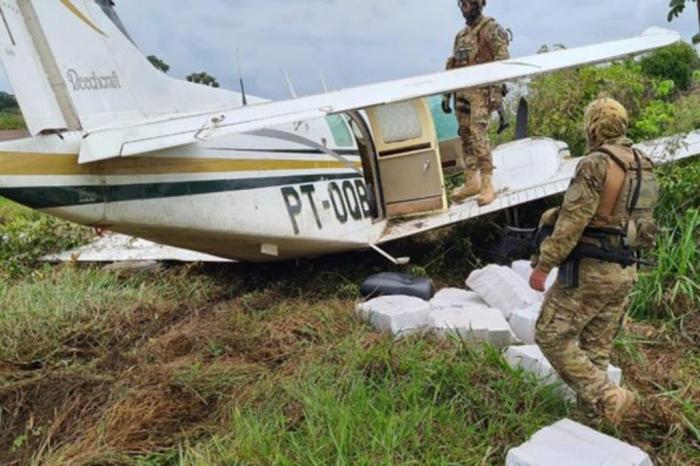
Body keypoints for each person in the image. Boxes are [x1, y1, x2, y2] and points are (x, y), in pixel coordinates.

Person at [529, 98, 660, 424]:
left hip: (592, 269)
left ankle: (608, 396)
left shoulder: (596, 164)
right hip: (625, 269)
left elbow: (572, 222)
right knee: (595, 348)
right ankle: (591, 421)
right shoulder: (643, 163)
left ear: (592, 127)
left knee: (549, 335)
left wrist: (543, 265)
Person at [442, 0, 510, 206]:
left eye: (469, 2)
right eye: (462, 3)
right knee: (465, 135)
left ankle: (488, 184)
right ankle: (472, 181)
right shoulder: (461, 36)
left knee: (478, 134)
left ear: (479, 4)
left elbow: (503, 61)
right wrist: (446, 94)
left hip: (483, 92)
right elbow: (453, 65)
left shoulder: (491, 28)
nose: (465, 6)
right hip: (462, 93)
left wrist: (496, 92)